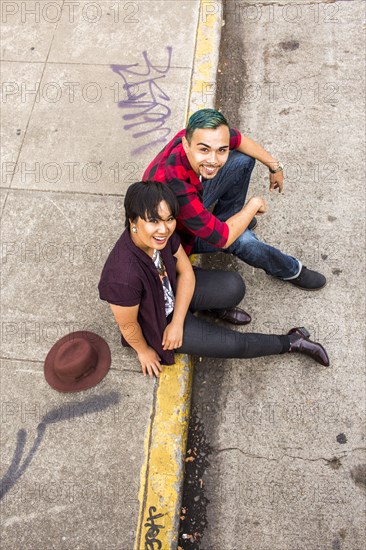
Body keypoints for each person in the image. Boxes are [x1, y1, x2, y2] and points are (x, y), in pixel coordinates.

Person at [98, 181, 329, 378]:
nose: (164, 229)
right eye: (153, 221)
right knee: (236, 345)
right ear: (133, 221)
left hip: (173, 297)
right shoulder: (121, 277)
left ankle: (208, 309)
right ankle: (292, 341)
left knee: (233, 287)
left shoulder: (162, 236)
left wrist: (179, 321)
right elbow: (128, 325)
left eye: (169, 219)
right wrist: (144, 351)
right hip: (160, 321)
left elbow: (186, 272)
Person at [143, 108, 326, 302]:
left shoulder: (197, 135)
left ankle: (231, 217)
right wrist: (253, 205)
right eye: (204, 150)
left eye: (221, 150)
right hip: (177, 237)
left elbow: (239, 141)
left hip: (188, 205)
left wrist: (275, 165)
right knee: (242, 240)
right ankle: (291, 270)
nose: (213, 160)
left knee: (243, 160)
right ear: (186, 145)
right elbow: (223, 238)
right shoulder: (175, 188)